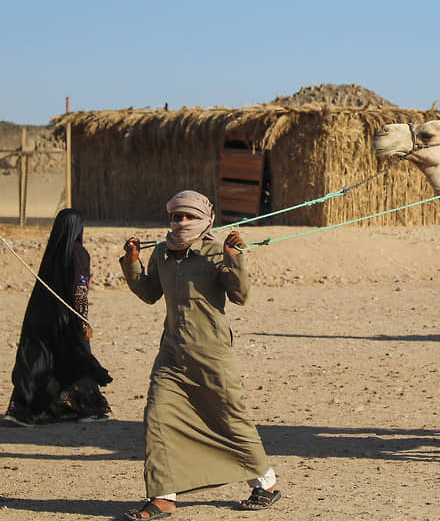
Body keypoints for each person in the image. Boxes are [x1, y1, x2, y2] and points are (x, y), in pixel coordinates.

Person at [119, 190, 281, 519]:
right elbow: (149, 293)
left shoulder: (215, 251)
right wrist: (132, 262)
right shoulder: (161, 253)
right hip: (172, 355)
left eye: (189, 217)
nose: (181, 222)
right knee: (158, 418)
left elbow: (240, 296)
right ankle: (163, 496)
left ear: (206, 219)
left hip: (212, 355)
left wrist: (235, 257)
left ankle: (265, 483)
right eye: (176, 217)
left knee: (230, 418)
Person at [5, 208, 111, 427]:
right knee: (76, 360)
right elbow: (79, 291)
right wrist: (83, 321)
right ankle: (83, 407)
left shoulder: (53, 253)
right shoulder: (78, 253)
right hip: (65, 319)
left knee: (40, 361)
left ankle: (26, 409)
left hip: (40, 315)